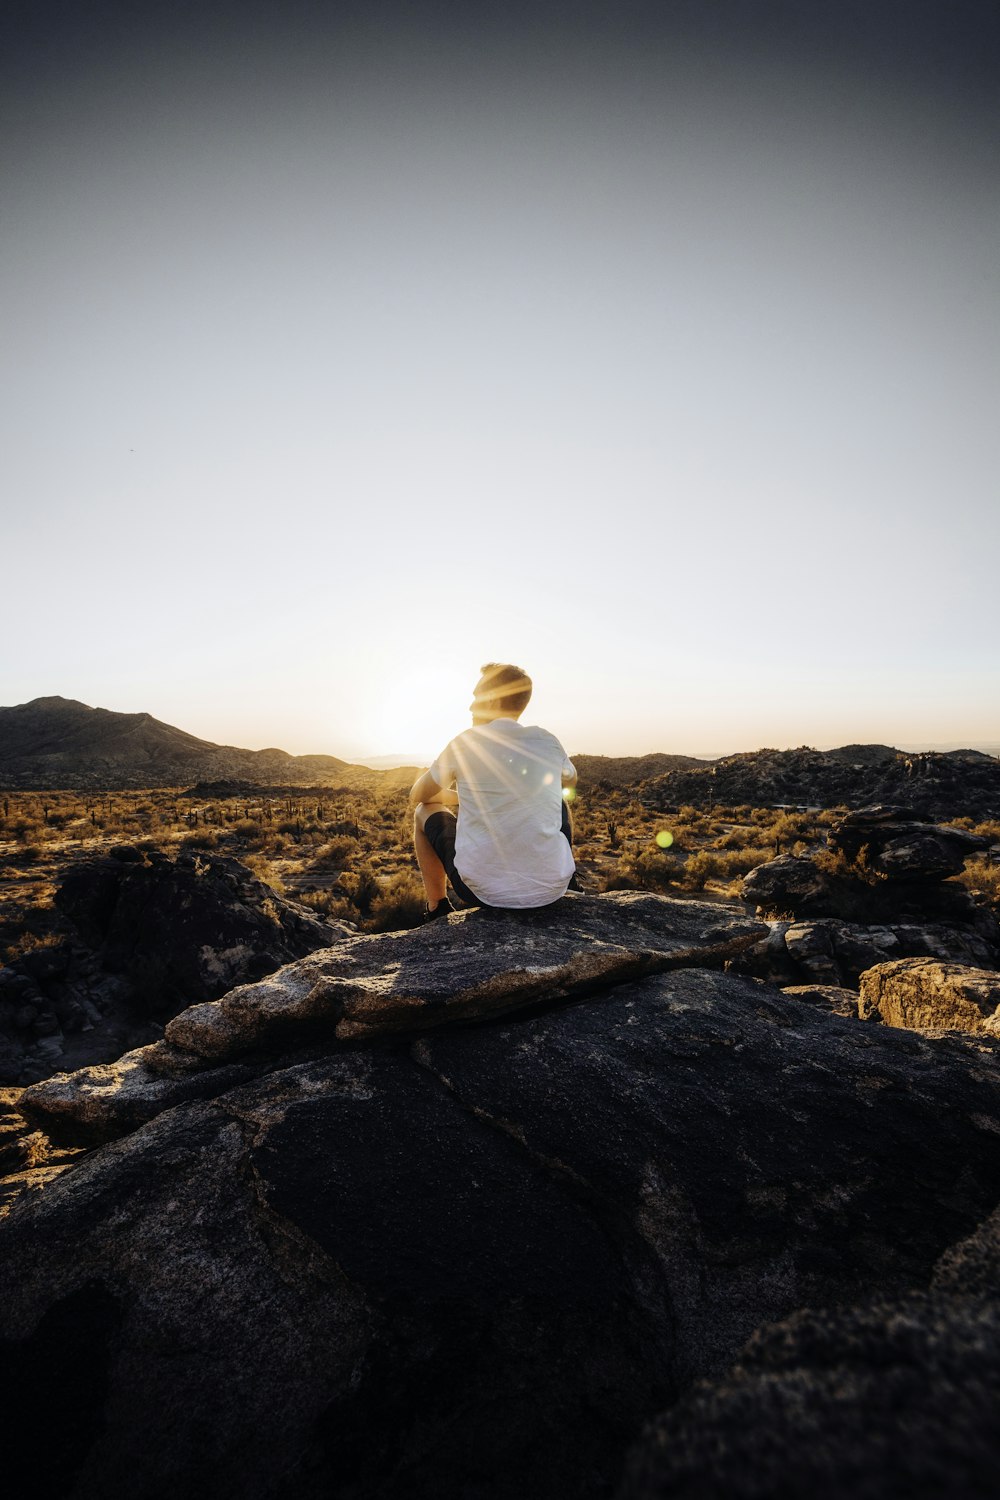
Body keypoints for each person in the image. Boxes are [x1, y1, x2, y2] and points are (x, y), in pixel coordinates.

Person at [410, 663, 577, 917]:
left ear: (492, 701)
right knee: (559, 799)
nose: (470, 706)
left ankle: (437, 907)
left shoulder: (466, 743)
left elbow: (418, 795)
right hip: (552, 889)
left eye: (476, 698)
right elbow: (570, 782)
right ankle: (570, 881)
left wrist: (461, 799)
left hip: (481, 892)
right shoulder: (548, 740)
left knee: (424, 811)